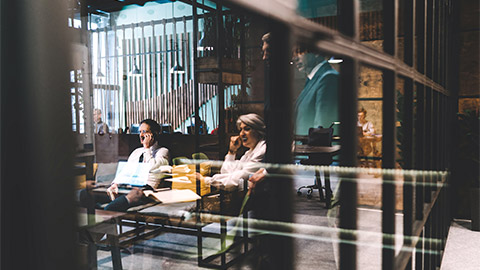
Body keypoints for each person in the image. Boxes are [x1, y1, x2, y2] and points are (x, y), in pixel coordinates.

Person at [80, 119, 170, 212]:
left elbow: (151, 167)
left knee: (110, 208)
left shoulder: (163, 151)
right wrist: (115, 184)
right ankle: (96, 218)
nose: (141, 135)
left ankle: (106, 216)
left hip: (143, 192)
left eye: (144, 132)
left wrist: (147, 148)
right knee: (85, 194)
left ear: (154, 134)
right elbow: (126, 171)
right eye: (140, 132)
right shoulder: (137, 152)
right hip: (127, 188)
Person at [200, 113, 266, 191]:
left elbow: (235, 181)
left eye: (247, 129)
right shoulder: (249, 152)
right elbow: (226, 173)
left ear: (258, 131)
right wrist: (232, 152)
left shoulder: (262, 150)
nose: (241, 134)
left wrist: (206, 180)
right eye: (241, 130)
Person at [292, 45, 339, 135]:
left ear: (316, 53)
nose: (295, 59)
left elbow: (323, 126)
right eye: (294, 55)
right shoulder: (313, 80)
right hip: (305, 146)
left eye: (300, 52)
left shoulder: (328, 78)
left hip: (313, 148)